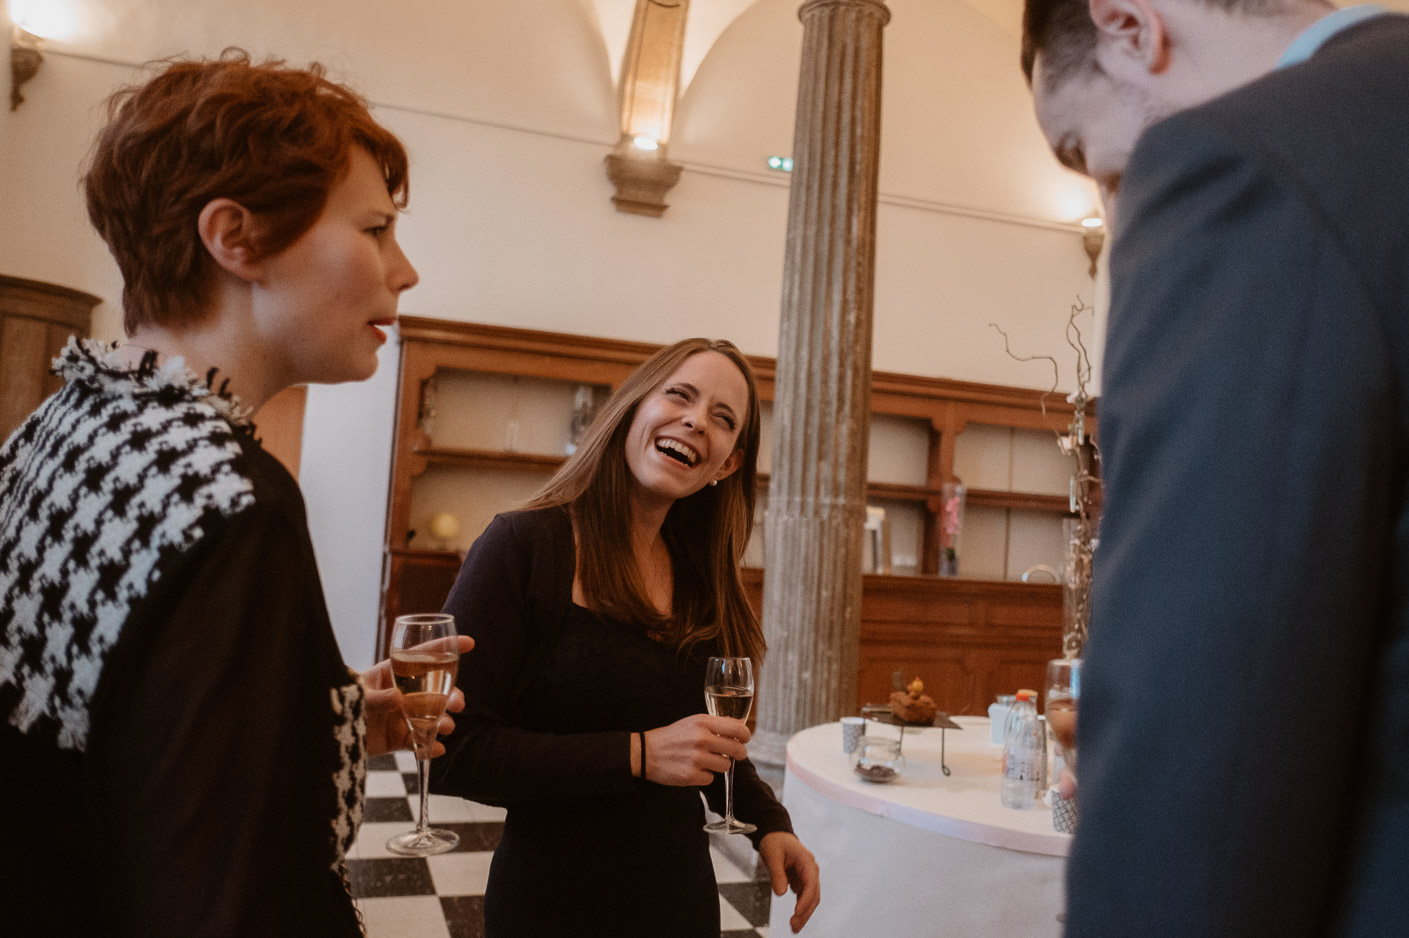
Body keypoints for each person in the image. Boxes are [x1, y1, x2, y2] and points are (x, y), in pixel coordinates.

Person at [1020, 0, 1409, 934]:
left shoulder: (1246, 169)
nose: (1112, 202)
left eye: (1085, 154)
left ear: (1130, 24)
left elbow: (1203, 780)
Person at [0, 51, 471, 935]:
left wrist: (314, 720)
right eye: (374, 230)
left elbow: (108, 752)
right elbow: (224, 894)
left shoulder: (60, 423)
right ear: (236, 237)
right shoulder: (229, 501)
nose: (402, 270)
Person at [432, 338, 821, 936]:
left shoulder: (701, 577)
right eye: (680, 396)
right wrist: (636, 755)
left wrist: (769, 820)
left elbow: (703, 743)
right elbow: (456, 754)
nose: (696, 421)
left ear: (728, 465)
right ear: (633, 408)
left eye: (723, 419)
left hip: (680, 909)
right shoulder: (522, 547)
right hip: (551, 911)